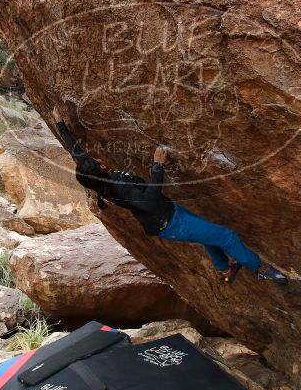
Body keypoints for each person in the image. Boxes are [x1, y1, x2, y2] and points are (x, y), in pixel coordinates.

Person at [52, 109, 287, 285]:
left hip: (170, 214)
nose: (97, 159)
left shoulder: (97, 179)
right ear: (100, 168)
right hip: (171, 223)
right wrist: (157, 166)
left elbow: (77, 153)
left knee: (208, 235)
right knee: (226, 235)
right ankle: (260, 270)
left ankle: (224, 269)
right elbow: (150, 198)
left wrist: (61, 126)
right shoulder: (119, 186)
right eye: (96, 162)